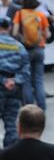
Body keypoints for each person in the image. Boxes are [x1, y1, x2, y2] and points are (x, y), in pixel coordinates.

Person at [11, 0, 48, 111]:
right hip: (39, 49)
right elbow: (46, 34)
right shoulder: (41, 15)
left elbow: (15, 32)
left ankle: (29, 108)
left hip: (25, 50)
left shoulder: (19, 14)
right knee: (39, 80)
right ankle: (41, 108)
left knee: (26, 80)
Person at [0, 13, 29, 146]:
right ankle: (8, 154)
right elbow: (26, 70)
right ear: (9, 27)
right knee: (11, 124)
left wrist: (3, 81)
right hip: (14, 89)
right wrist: (14, 81)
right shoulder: (19, 46)